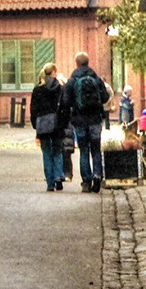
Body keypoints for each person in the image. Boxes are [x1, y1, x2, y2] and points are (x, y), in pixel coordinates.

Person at [66, 52, 112, 192]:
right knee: (96, 149)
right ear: (88, 62)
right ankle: (97, 175)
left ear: (77, 63)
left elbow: (66, 101)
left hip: (79, 120)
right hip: (95, 120)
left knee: (84, 150)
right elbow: (105, 98)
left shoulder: (72, 80)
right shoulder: (96, 79)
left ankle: (86, 181)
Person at [31, 62, 69, 191]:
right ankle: (58, 176)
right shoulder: (60, 88)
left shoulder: (37, 89)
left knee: (46, 153)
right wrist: (64, 124)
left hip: (43, 125)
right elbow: (65, 107)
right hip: (57, 124)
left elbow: (33, 109)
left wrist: (35, 125)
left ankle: (50, 183)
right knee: (58, 151)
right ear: (54, 72)